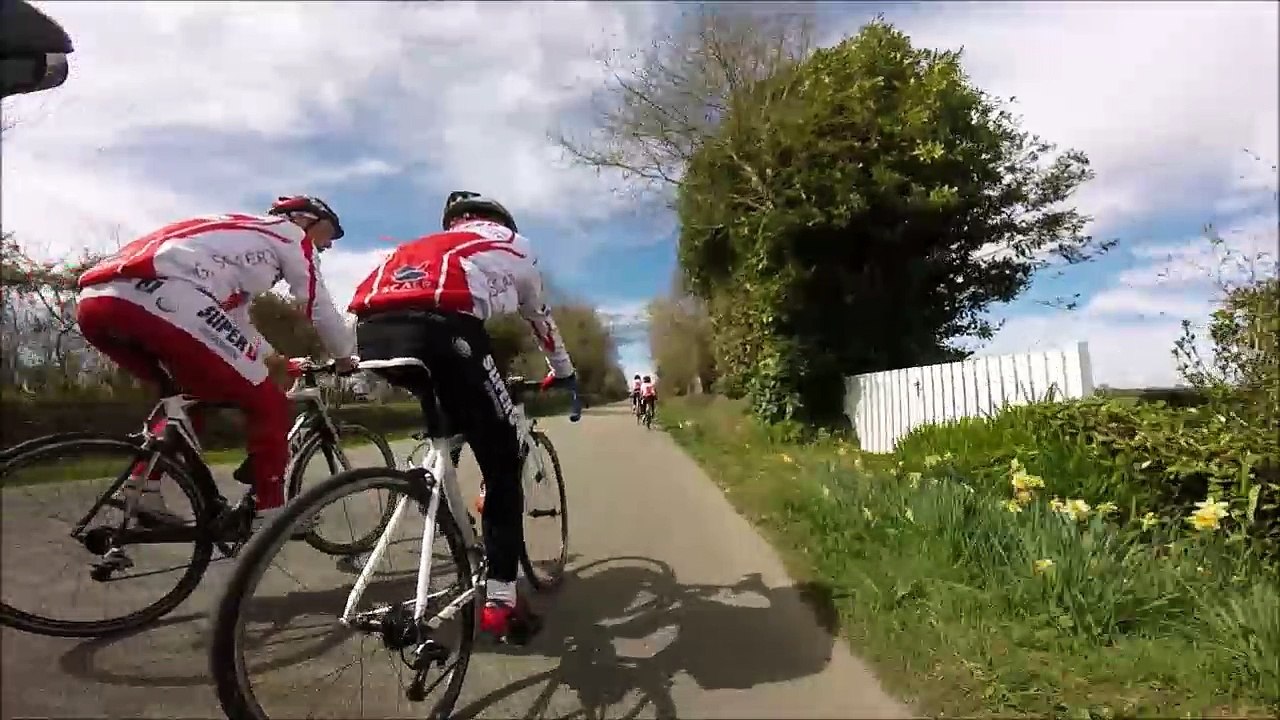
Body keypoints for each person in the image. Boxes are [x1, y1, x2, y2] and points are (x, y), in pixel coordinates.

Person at [348, 190, 576, 644]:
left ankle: (437, 494)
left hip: (372, 330)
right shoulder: (515, 246)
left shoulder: (430, 245)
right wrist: (565, 374)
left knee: (449, 425)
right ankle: (501, 597)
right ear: (502, 221)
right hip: (444, 329)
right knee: (502, 459)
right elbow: (541, 320)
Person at [75, 196, 358, 530]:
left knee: (191, 396)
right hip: (164, 296)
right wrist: (343, 357)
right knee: (268, 401)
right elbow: (318, 304)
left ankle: (143, 487)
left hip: (97, 300)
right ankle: (271, 513)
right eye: (327, 235)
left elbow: (234, 326)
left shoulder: (232, 238)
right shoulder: (290, 237)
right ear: (304, 219)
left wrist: (279, 361)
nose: (325, 247)